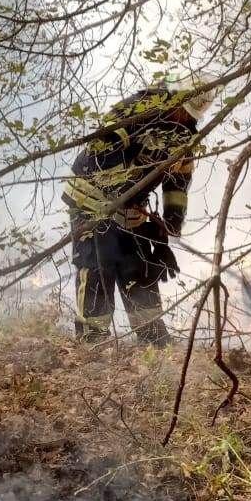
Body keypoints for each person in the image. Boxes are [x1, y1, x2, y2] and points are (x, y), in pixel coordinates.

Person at [63, 73, 214, 345]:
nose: (184, 118)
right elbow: (101, 151)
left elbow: (178, 184)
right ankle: (91, 340)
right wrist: (125, 186)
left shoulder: (184, 136)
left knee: (139, 266)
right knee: (98, 265)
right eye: (182, 110)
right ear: (176, 98)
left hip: (131, 208)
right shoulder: (140, 108)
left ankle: (153, 338)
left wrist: (169, 225)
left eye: (190, 115)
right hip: (91, 202)